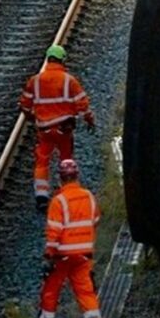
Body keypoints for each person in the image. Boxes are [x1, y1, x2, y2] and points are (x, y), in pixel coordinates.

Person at [19, 45, 95, 211]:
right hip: (64, 129)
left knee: (42, 161)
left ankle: (41, 197)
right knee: (66, 158)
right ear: (62, 60)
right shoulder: (69, 80)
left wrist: (32, 117)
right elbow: (83, 105)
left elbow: (24, 105)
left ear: (48, 59)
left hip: (44, 130)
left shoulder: (35, 81)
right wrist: (90, 120)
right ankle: (65, 194)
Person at [38, 159, 103, 318]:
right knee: (85, 291)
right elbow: (96, 220)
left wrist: (49, 256)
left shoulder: (59, 201)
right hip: (84, 254)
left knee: (51, 288)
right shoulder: (89, 196)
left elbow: (54, 232)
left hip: (62, 256)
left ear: (60, 179)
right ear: (77, 176)